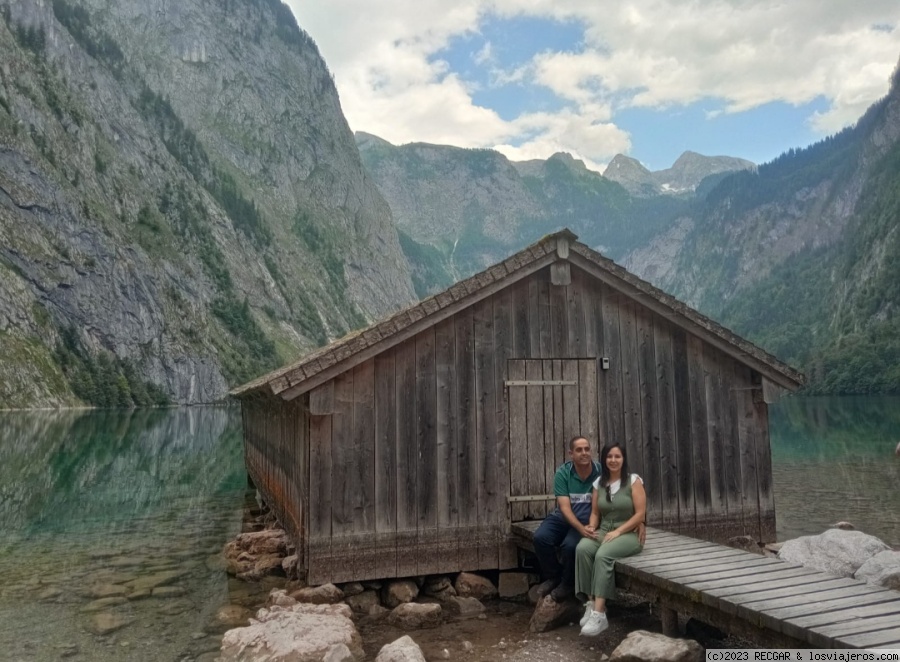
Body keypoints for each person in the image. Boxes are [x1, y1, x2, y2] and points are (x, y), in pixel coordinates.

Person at [574, 442, 646, 636]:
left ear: (623, 460)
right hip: (605, 530)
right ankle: (591, 603)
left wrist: (619, 531)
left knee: (603, 555)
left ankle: (600, 614)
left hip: (629, 534)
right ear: (604, 460)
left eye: (617, 456)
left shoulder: (633, 481)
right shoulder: (599, 483)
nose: (613, 460)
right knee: (583, 548)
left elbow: (640, 514)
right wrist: (591, 525)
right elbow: (596, 512)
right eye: (609, 457)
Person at [532, 436, 602, 602]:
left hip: (587, 520)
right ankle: (553, 576)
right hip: (564, 517)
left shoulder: (600, 471)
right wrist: (579, 528)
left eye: (587, 449)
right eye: (579, 450)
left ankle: (567, 584)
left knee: (570, 546)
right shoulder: (563, 473)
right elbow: (564, 508)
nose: (584, 453)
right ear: (571, 454)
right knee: (540, 538)